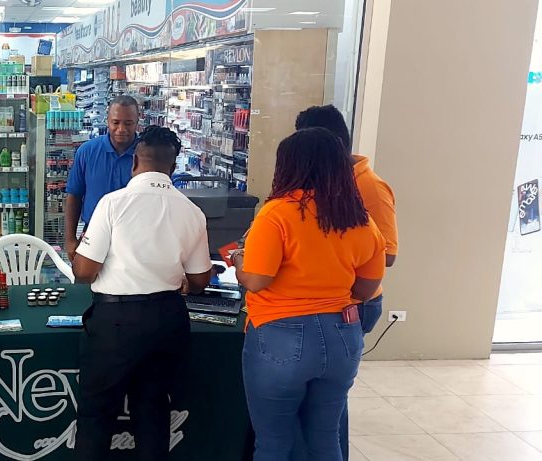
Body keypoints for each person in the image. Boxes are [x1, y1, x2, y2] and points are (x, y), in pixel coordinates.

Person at [233, 128, 386, 461]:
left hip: (279, 335)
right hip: (343, 337)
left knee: (274, 443)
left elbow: (257, 280)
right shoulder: (361, 220)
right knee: (325, 438)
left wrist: (238, 260)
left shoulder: (276, 214)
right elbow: (365, 289)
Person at [71, 125, 212, 461]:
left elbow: (84, 271)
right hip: (167, 319)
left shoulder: (112, 204)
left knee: (96, 416)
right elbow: (201, 280)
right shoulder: (192, 212)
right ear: (173, 167)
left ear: (135, 162)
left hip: (114, 323)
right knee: (153, 413)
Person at [295, 105, 399, 461]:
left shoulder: (369, 186)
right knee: (321, 394)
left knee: (329, 399)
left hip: (356, 301)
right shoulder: (326, 180)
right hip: (327, 300)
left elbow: (387, 254)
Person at [64, 95, 140, 256]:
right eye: (116, 122)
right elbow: (74, 195)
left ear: (137, 122)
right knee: (87, 279)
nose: (121, 129)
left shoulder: (146, 154)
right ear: (107, 121)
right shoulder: (87, 151)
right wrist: (70, 240)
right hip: (92, 235)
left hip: (135, 238)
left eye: (128, 123)